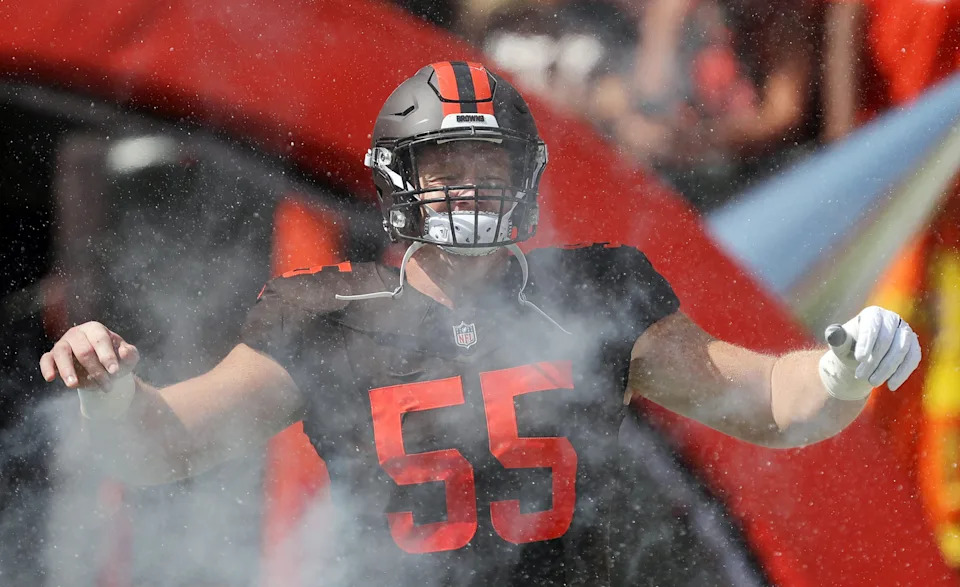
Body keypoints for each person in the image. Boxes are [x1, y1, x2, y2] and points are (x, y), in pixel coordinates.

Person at [40, 61, 921, 585]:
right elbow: (163, 446)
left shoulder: (595, 291)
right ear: (396, 179)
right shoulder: (326, 315)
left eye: (487, 161)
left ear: (525, 177)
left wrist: (841, 371)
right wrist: (113, 397)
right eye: (445, 160)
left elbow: (770, 401)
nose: (469, 182)